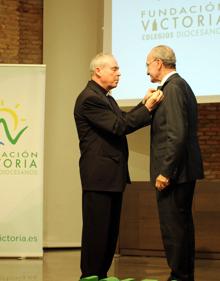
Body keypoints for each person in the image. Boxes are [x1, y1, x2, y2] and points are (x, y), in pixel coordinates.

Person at [74, 53, 163, 280]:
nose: (119, 73)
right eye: (114, 69)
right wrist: (149, 108)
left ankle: (101, 274)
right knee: (97, 229)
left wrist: (143, 104)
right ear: (98, 71)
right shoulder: (89, 98)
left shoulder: (106, 98)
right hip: (99, 175)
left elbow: (123, 118)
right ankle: (90, 275)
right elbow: (119, 126)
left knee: (109, 229)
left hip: (111, 174)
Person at [146, 45, 204, 281]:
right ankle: (183, 275)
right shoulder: (178, 86)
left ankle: (179, 276)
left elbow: (177, 134)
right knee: (180, 226)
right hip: (182, 171)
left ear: (159, 63)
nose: (147, 70)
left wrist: (165, 172)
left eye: (148, 64)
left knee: (174, 228)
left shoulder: (174, 88)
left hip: (175, 173)